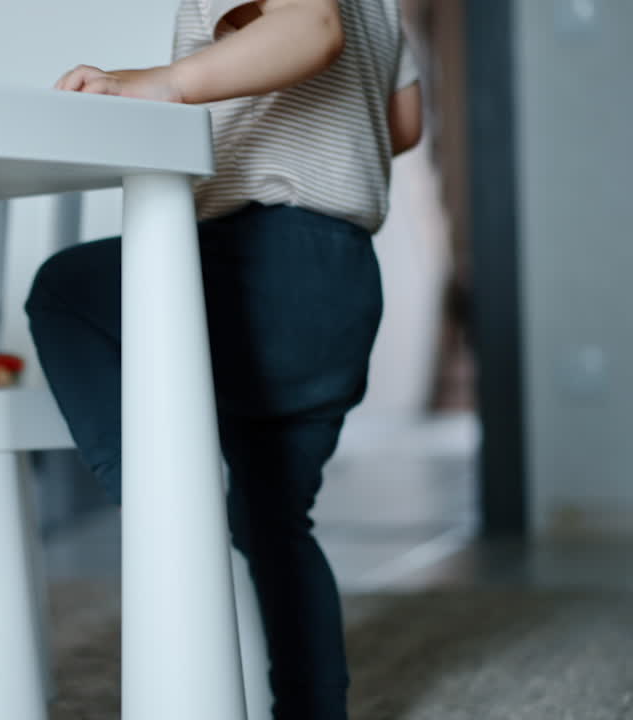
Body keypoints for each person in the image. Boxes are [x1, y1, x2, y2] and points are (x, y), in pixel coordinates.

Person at [25, 0, 422, 717]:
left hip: (260, 261)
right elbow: (404, 123)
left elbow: (313, 27)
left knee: (64, 291)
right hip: (344, 281)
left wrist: (171, 83)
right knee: (273, 521)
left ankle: (162, 507)